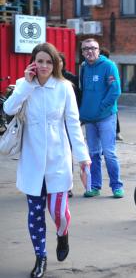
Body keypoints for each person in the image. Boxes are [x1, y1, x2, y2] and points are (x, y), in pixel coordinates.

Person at [3, 42, 91, 278]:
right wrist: (26, 86)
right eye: (39, 61)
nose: (43, 66)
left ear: (56, 64)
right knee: (35, 212)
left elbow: (73, 124)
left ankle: (62, 234)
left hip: (57, 159)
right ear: (33, 61)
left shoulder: (64, 88)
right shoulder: (24, 85)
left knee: (58, 212)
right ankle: (40, 257)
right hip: (31, 160)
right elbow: (9, 109)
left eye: (48, 62)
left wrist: (83, 158)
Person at [79, 38, 124, 198]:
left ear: (98, 50)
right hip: (89, 119)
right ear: (82, 52)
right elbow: (82, 91)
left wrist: (101, 107)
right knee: (93, 154)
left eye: (93, 48)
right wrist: (83, 112)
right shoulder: (83, 67)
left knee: (109, 153)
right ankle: (95, 186)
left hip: (106, 117)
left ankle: (117, 186)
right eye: (86, 49)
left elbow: (115, 91)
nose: (89, 51)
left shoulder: (108, 66)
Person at [58, 52, 80, 198]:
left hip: (67, 122)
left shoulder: (70, 79)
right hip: (53, 123)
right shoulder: (47, 79)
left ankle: (67, 186)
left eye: (60, 61)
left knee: (66, 154)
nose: (57, 64)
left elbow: (79, 98)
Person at [99, 47, 124, 141]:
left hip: (108, 94)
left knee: (112, 113)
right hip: (104, 95)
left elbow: (114, 84)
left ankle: (116, 133)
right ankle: (115, 133)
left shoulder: (110, 66)